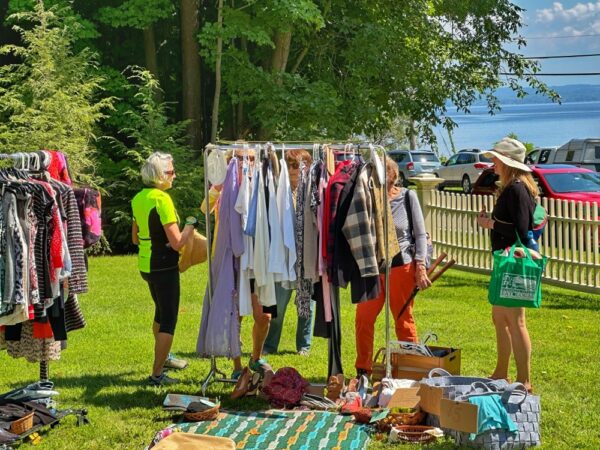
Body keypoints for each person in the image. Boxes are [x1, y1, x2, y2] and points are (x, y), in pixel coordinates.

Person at [354, 158, 432, 377]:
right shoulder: (367, 198)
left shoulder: (408, 197)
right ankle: (363, 369)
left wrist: (420, 265)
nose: (381, 177)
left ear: (394, 174)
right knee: (364, 318)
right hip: (373, 267)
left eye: (385, 172)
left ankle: (411, 369)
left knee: (403, 319)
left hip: (401, 266)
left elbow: (420, 234)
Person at [200, 150, 272, 380]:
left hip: (257, 259)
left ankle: (256, 357)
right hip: (230, 261)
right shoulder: (224, 188)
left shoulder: (260, 184)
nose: (245, 163)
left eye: (250, 158)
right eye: (240, 158)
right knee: (236, 313)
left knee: (264, 315)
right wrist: (218, 188)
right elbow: (204, 209)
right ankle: (237, 365)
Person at [476, 137, 538, 393]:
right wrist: (492, 221)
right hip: (505, 260)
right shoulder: (513, 187)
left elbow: (522, 228)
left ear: (507, 162)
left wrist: (489, 224)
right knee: (499, 317)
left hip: (515, 261)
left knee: (515, 320)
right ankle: (501, 371)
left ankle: (524, 380)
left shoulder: (517, 189)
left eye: (496, 159)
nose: (493, 163)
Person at [132, 152, 196, 386]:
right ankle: (157, 374)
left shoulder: (139, 198)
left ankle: (164, 358)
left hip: (146, 265)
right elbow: (178, 242)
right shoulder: (162, 199)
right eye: (170, 172)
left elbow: (136, 238)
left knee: (160, 312)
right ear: (159, 176)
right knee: (168, 319)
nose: (174, 176)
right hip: (164, 266)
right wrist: (191, 225)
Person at [263, 150, 315, 356]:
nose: (295, 170)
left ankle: (304, 345)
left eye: (301, 166)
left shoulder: (311, 189)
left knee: (306, 304)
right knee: (278, 304)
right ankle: (270, 344)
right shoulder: (279, 189)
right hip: (284, 254)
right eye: (292, 165)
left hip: (306, 255)